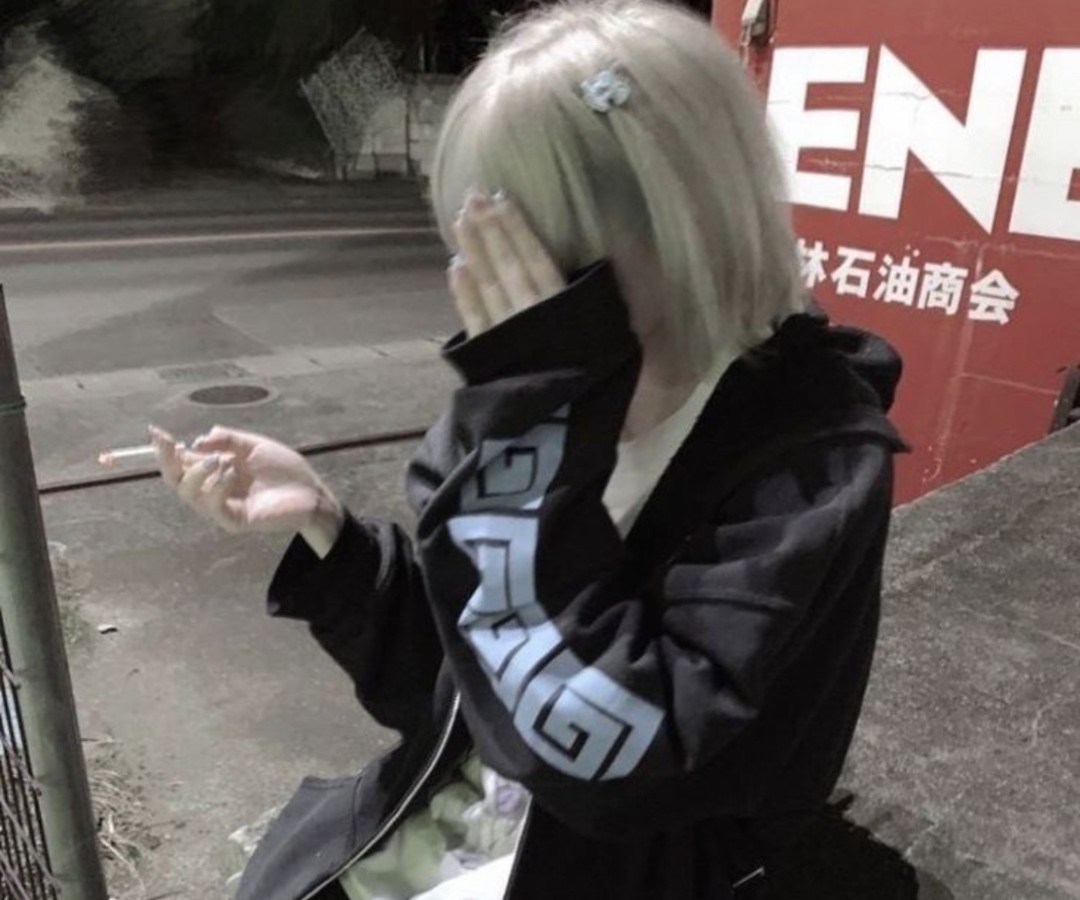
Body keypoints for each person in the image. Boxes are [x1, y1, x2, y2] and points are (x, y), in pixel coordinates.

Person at [150, 1, 907, 898]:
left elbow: (612, 757)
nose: (511, 284)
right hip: (464, 826)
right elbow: (465, 692)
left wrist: (524, 435)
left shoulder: (805, 464)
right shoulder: (540, 394)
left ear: (686, 216)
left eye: (536, 242)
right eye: (483, 238)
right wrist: (329, 530)